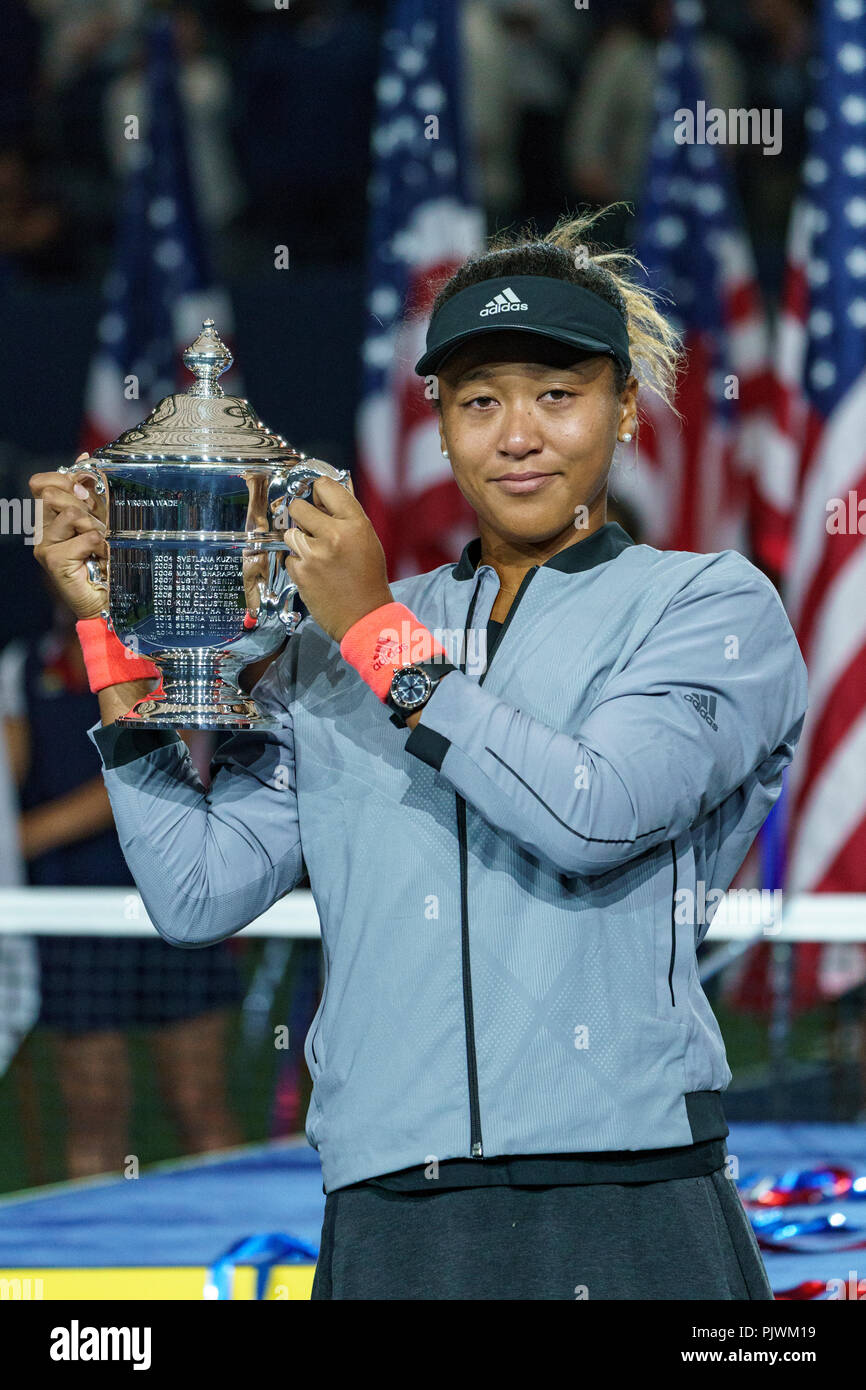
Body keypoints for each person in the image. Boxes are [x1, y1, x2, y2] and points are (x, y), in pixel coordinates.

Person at [29, 206, 808, 1299]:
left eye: (557, 392)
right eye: (479, 401)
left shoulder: (708, 607)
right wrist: (116, 644)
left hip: (629, 1200)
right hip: (392, 1212)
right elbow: (197, 894)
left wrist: (374, 640)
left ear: (626, 408)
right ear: (438, 423)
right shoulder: (335, 645)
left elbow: (593, 814)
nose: (518, 434)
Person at [0, 586, 244, 1180]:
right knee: (93, 1113)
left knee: (198, 1103)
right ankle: (92, 1266)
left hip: (179, 898)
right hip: (72, 915)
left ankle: (238, 1255)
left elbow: (173, 756)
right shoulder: (23, 666)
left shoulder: (174, 656)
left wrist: (25, 839)